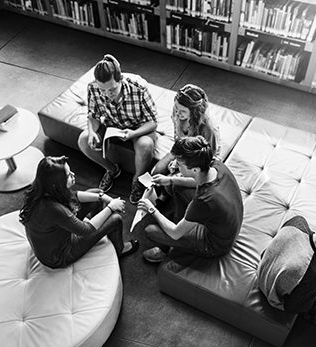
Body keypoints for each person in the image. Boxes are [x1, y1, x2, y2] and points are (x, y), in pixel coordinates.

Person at [19, 156, 139, 269]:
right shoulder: (54, 209)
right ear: (57, 183)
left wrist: (102, 197)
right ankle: (119, 249)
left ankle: (101, 229)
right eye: (68, 175)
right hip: (59, 255)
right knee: (116, 219)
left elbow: (73, 196)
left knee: (96, 193)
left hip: (53, 240)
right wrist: (111, 207)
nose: (73, 175)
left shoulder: (42, 190)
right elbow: (85, 231)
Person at [137, 135, 243, 263]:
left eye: (180, 164)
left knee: (151, 231)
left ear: (195, 169)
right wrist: (170, 180)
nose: (176, 164)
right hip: (226, 225)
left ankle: (165, 250)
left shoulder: (204, 200)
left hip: (215, 244)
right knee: (177, 187)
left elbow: (175, 233)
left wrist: (152, 209)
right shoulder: (215, 165)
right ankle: (181, 221)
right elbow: (198, 181)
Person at [78, 54, 158, 205]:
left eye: (112, 89)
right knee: (83, 140)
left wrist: (133, 133)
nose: (107, 94)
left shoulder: (139, 88)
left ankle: (137, 181)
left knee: (145, 145)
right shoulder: (93, 87)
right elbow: (93, 115)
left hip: (139, 126)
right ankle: (112, 170)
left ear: (120, 79)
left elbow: (153, 122)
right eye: (103, 90)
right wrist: (92, 132)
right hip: (112, 124)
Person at [151, 84, 220, 206]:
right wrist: (177, 159)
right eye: (176, 109)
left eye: (182, 111)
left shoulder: (209, 128)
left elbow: (208, 159)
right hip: (181, 150)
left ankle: (173, 198)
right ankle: (166, 195)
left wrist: (180, 164)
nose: (177, 113)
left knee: (172, 185)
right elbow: (178, 138)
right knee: (156, 172)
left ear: (195, 112)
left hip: (198, 159)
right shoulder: (178, 112)